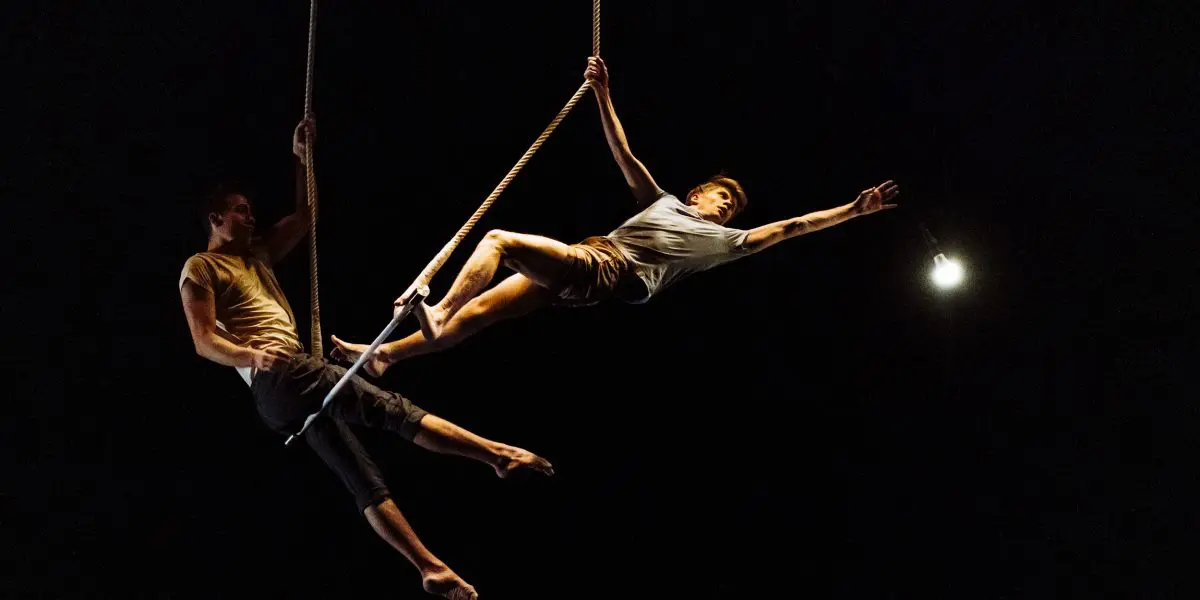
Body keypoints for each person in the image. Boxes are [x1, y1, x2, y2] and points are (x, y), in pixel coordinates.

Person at [331, 56, 900, 377]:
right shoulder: (662, 201)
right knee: (481, 315)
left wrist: (852, 210)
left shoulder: (726, 242)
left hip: (611, 270)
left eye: (732, 208)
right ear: (698, 193)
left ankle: (435, 309)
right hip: (588, 270)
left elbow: (792, 227)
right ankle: (385, 357)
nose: (726, 208)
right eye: (720, 198)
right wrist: (603, 93)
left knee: (499, 239)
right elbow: (624, 156)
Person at [178, 118, 552, 600]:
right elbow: (202, 340)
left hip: (285, 397)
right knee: (389, 409)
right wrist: (252, 354)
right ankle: (496, 455)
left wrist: (301, 156)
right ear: (215, 218)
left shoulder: (258, 255)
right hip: (280, 376)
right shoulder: (201, 267)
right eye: (241, 212)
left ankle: (429, 567)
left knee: (362, 478)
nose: (251, 219)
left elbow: (306, 215)